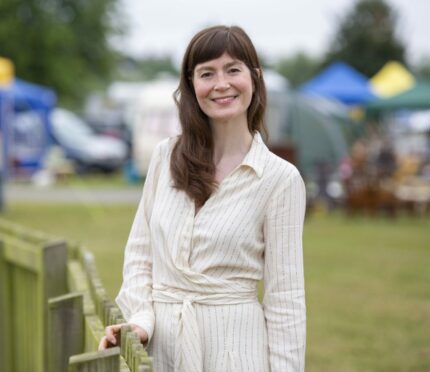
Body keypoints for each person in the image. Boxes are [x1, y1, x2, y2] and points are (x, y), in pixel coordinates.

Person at [99, 25, 306, 372]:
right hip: (162, 351)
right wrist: (141, 319)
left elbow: (285, 300)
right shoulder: (166, 157)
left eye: (233, 70)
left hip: (237, 353)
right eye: (207, 73)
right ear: (192, 85)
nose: (221, 84)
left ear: (254, 77)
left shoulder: (280, 179)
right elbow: (139, 254)